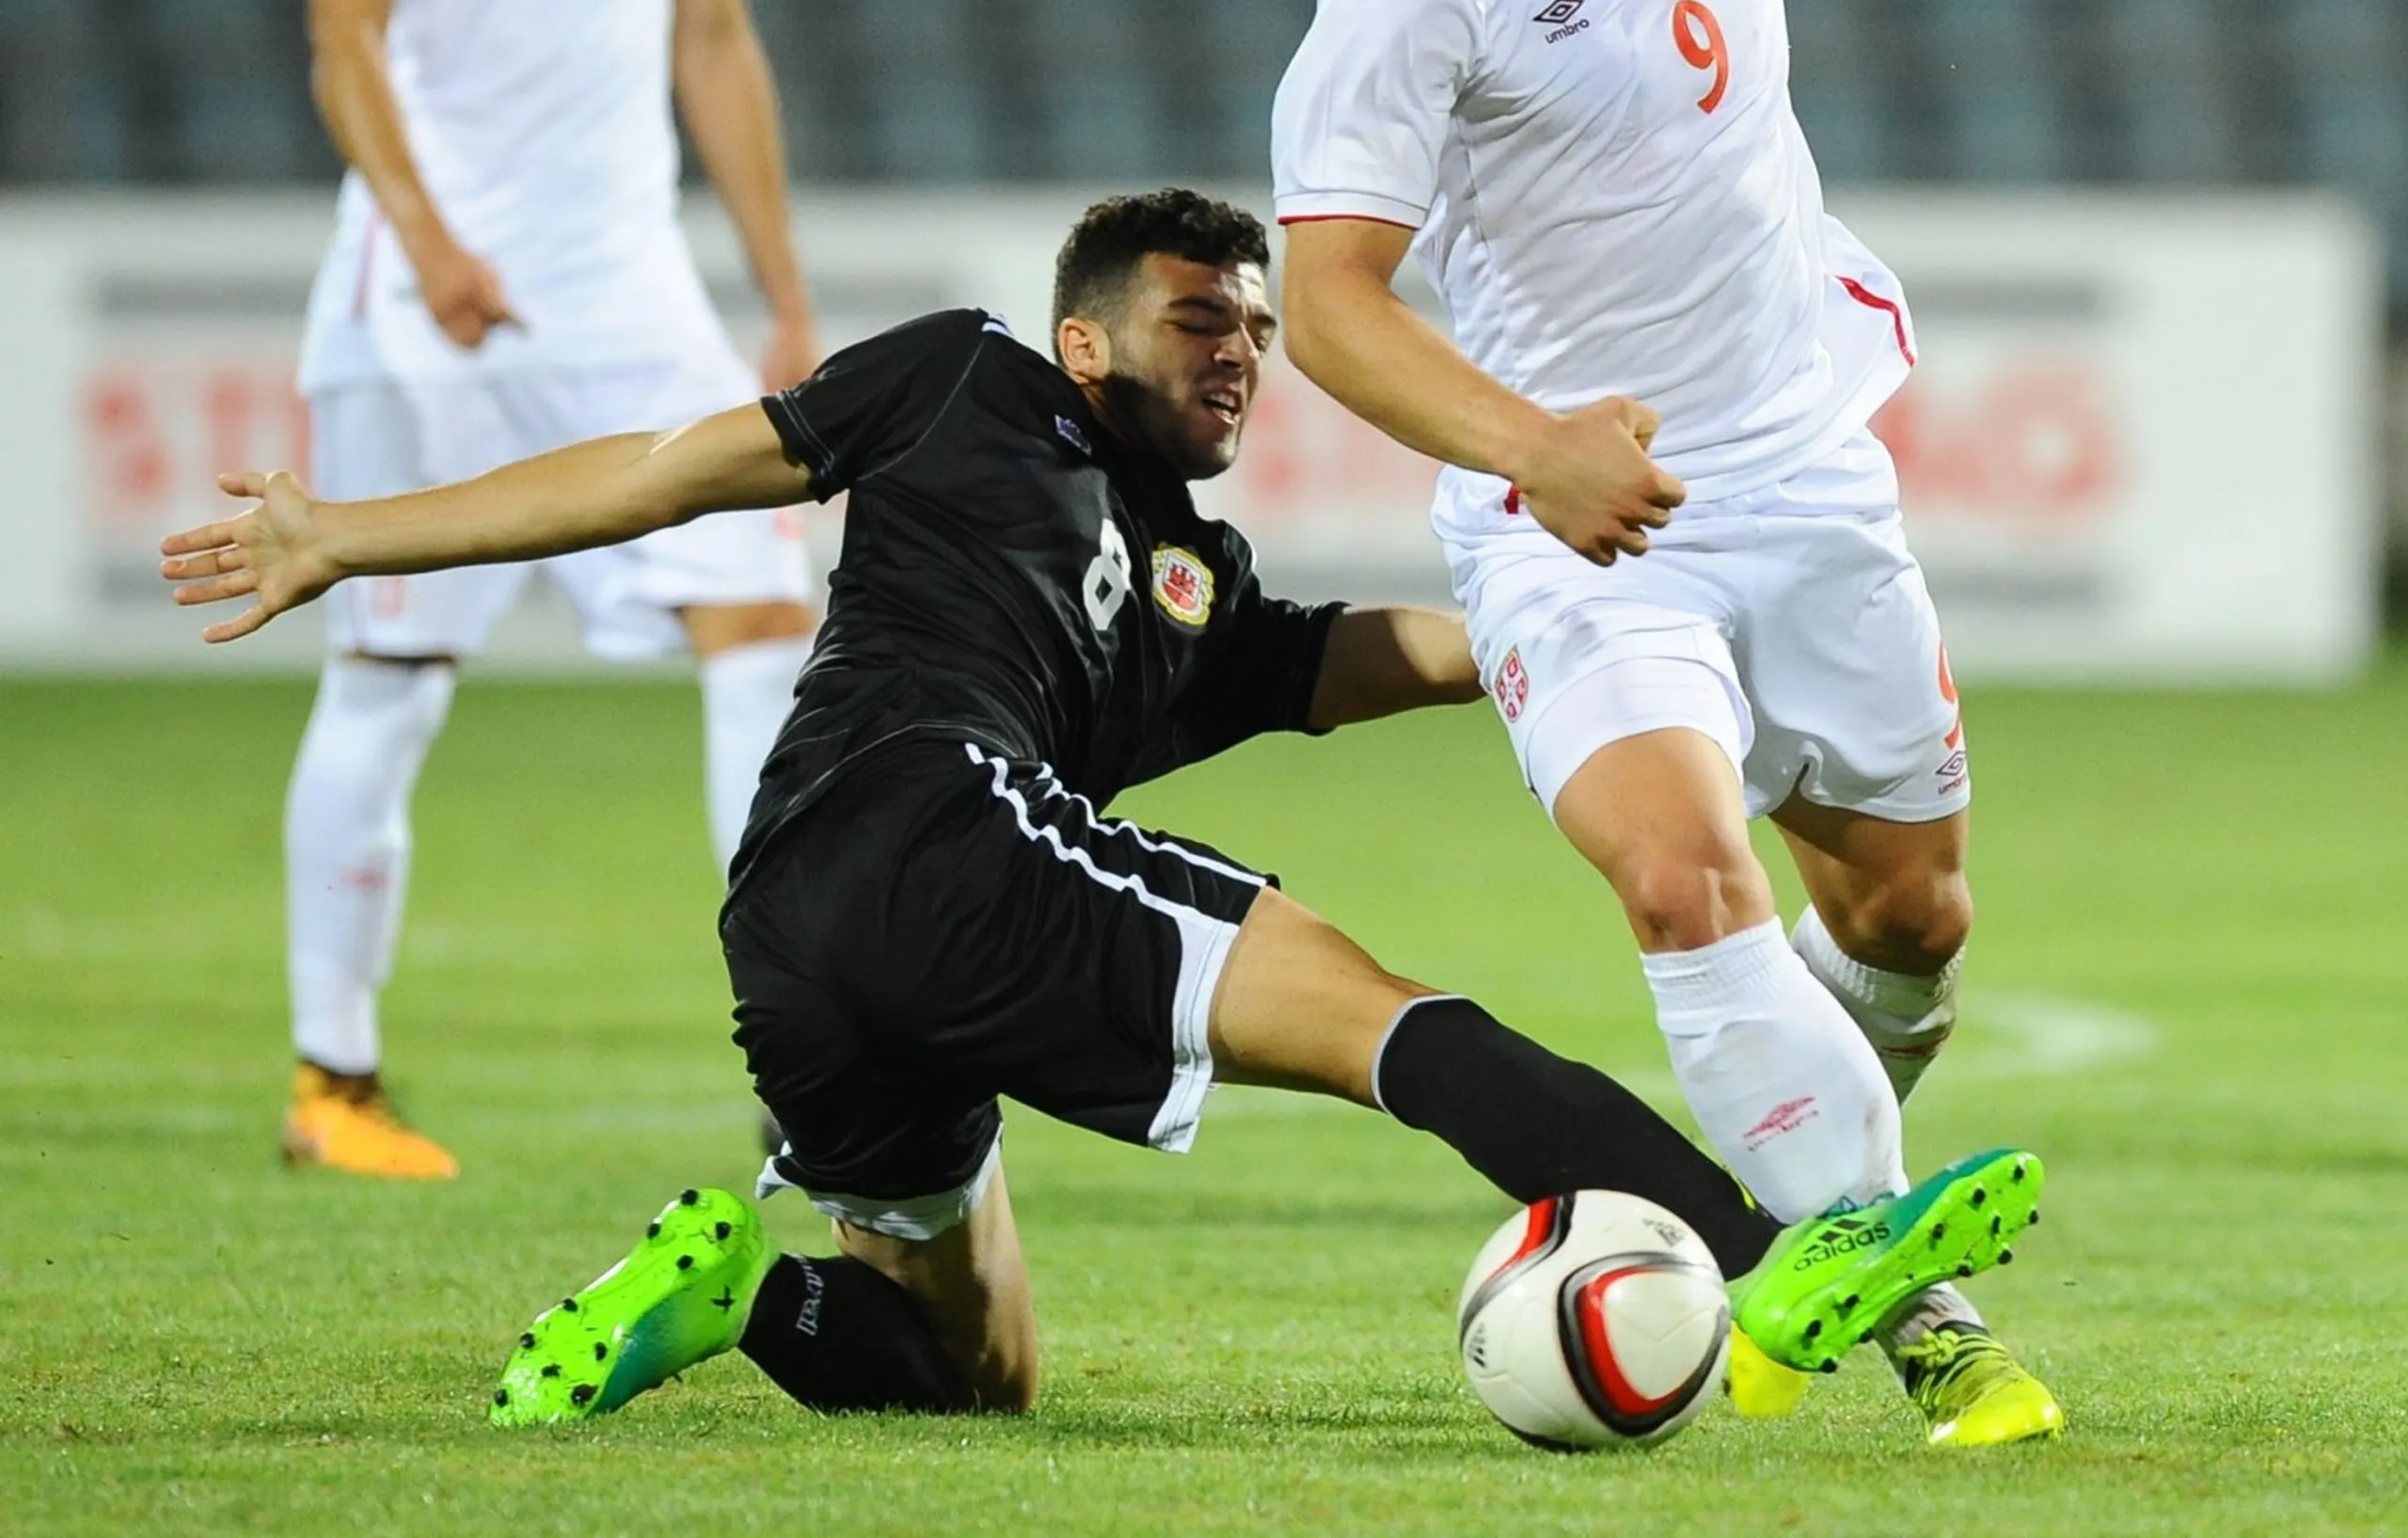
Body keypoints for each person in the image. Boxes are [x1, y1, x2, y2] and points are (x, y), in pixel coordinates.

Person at [162, 189, 2036, 1424]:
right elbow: (670, 470)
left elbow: (1352, 661)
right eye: (1196, 323)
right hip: (942, 820)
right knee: (1394, 1022)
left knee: (977, 1367)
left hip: (800, 923)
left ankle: (744, 1299)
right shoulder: (962, 377)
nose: (1237, 355)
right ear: (1084, 342)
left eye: (1254, 333)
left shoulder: (1190, 587)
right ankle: (1779, 1245)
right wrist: (345, 532)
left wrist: (1580, 638)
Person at [1270, 0, 2161, 1443]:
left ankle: (1820, 1198)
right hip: (1574, 523)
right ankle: (1924, 1312)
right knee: (1683, 879)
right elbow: (1326, 301)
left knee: (1914, 917)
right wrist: (1536, 451)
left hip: (1803, 465)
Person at [274, 0, 822, 1180]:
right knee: (389, 663)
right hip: (421, 286)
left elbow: (716, 36)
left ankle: (801, 1045)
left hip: (626, 288)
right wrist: (427, 233)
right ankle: (332, 1079)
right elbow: (343, 36)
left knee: (759, 610)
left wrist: (783, 291)